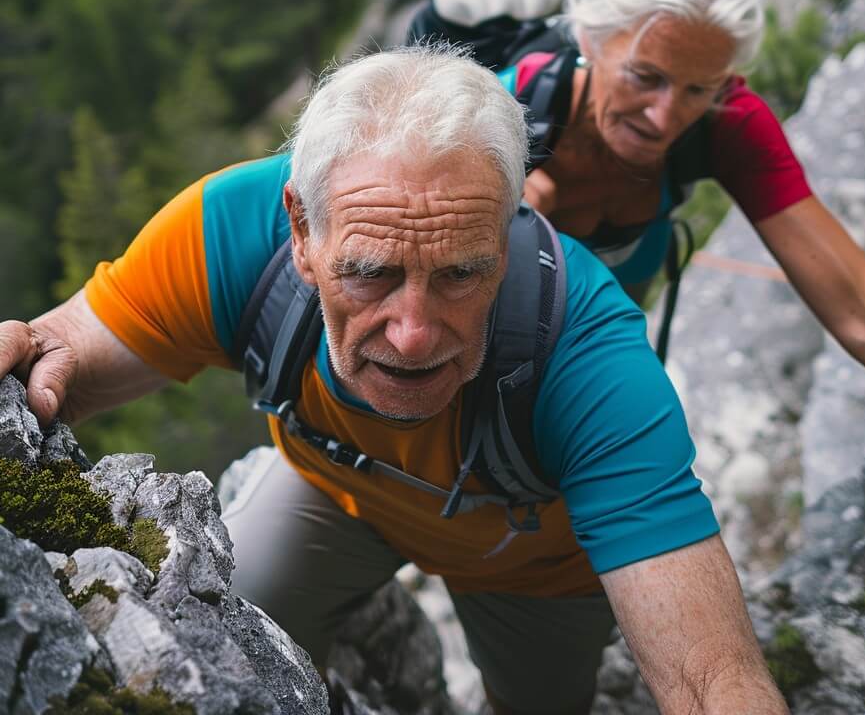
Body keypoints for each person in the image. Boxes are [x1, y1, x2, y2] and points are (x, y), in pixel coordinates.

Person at [0, 46, 790, 715]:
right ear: (301, 231)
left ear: (510, 229)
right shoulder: (227, 235)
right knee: (212, 643)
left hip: (534, 573)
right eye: (371, 275)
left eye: (460, 274)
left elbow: (711, 678)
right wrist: (27, 353)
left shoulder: (589, 355)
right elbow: (60, 351)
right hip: (333, 493)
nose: (413, 334)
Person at [413, 0, 865, 476]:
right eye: (644, 77)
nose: (664, 115)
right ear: (593, 39)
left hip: (586, 353)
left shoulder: (729, 121)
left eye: (698, 88)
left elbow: (863, 308)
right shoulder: (498, 109)